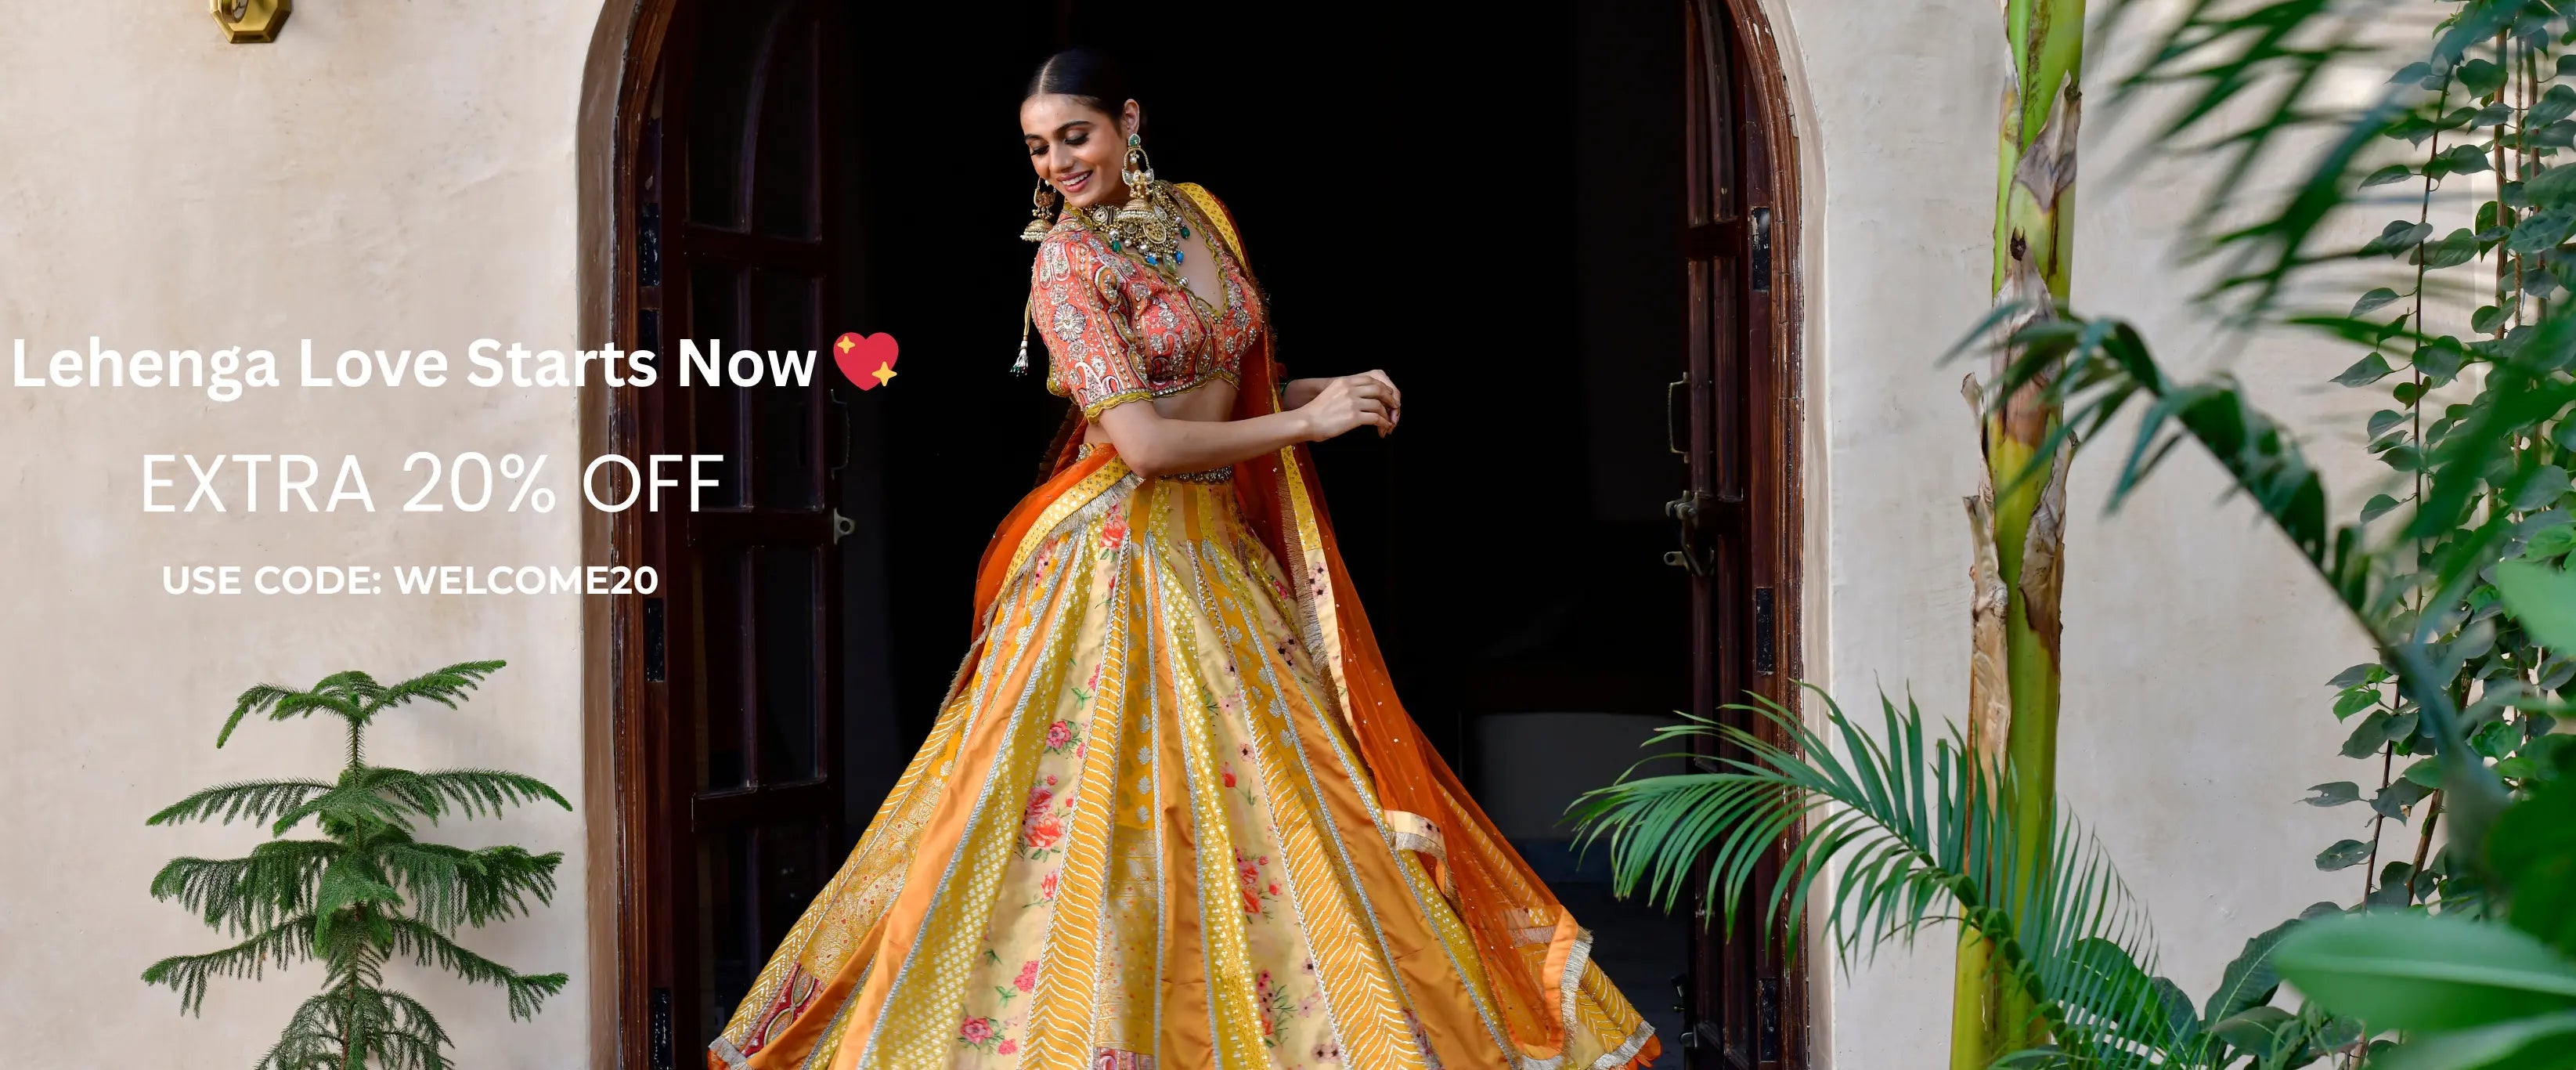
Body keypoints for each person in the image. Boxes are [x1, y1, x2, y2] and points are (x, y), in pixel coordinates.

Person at [710, 47, 1658, 1070]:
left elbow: (1232, 386)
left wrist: (1313, 393)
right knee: (1096, 817)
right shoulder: (1067, 265)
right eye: (1037, 148)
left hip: (1220, 553)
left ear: (1128, 121)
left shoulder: (1201, 215)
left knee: (1281, 803)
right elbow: (1147, 447)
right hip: (1116, 562)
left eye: (1075, 135)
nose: (1058, 163)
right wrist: (1308, 426)